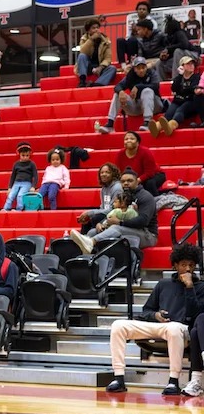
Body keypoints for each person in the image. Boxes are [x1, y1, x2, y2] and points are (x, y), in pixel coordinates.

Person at [104, 245, 204, 395]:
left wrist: (189, 287)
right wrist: (156, 315)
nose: (188, 269)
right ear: (175, 265)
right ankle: (118, 378)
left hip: (183, 330)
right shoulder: (163, 284)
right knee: (118, 325)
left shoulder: (200, 286)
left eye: (191, 265)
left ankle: (173, 381)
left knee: (174, 328)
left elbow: (197, 315)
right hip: (160, 326)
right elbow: (146, 311)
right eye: (184, 264)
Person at [70, 170, 158, 251]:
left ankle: (91, 242)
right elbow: (112, 212)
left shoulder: (145, 197)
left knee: (116, 228)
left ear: (137, 182)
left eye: (130, 181)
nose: (126, 183)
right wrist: (101, 223)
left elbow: (143, 221)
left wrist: (120, 222)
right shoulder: (122, 196)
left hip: (147, 234)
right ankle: (81, 253)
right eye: (123, 181)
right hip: (128, 228)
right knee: (93, 231)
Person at [95, 57, 161, 135]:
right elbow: (118, 86)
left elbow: (156, 86)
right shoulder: (131, 75)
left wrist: (138, 86)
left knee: (147, 91)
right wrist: (121, 91)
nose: (141, 70)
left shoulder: (152, 73)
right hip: (137, 106)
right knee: (118, 94)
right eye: (138, 68)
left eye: (143, 68)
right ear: (134, 69)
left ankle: (148, 122)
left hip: (154, 105)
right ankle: (110, 123)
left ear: (146, 67)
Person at [154, 55, 202, 136]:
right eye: (188, 64)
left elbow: (192, 89)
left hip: (190, 102)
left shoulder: (197, 77)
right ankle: (157, 127)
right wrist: (180, 76)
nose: (191, 65)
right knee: (169, 113)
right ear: (182, 66)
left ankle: (171, 127)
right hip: (178, 100)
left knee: (180, 111)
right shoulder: (178, 78)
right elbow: (174, 88)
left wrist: (183, 90)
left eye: (192, 64)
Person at [114, 130, 166, 196]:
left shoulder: (145, 152)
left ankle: (154, 201)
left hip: (154, 175)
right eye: (126, 139)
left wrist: (136, 181)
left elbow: (150, 172)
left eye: (132, 139)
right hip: (132, 178)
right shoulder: (120, 154)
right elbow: (117, 172)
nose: (129, 140)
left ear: (138, 142)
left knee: (149, 183)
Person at [76, 163, 123, 235]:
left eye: (107, 172)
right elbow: (102, 208)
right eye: (102, 172)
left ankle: (87, 238)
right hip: (105, 214)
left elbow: (113, 210)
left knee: (94, 217)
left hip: (114, 215)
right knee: (87, 219)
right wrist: (89, 214)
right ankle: (82, 238)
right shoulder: (103, 188)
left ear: (113, 174)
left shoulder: (117, 188)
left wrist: (90, 213)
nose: (104, 174)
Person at [75, 19, 117, 87]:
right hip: (88, 67)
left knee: (112, 68)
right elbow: (82, 51)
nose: (96, 30)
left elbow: (108, 58)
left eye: (97, 27)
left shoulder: (106, 41)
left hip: (99, 66)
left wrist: (101, 67)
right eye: (93, 28)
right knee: (82, 56)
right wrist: (91, 40)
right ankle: (82, 81)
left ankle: (97, 84)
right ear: (88, 31)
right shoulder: (84, 39)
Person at [3, 141, 38, 212]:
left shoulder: (31, 164)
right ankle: (6, 208)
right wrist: (10, 187)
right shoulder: (16, 164)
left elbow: (35, 175)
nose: (25, 157)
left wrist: (33, 186)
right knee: (11, 195)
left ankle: (19, 209)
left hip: (27, 183)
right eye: (23, 155)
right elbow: (13, 176)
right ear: (19, 154)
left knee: (20, 195)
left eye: (27, 155)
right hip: (16, 182)